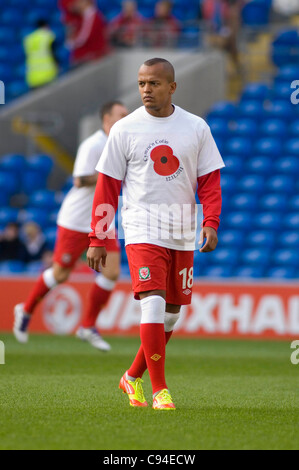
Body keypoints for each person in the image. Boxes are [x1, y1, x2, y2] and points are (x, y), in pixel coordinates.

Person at [87, 58, 224, 410]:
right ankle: (160, 390)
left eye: (154, 84)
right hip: (141, 227)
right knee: (154, 301)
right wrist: (98, 237)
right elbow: (107, 187)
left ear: (172, 87)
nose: (146, 90)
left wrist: (211, 222)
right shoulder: (125, 129)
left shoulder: (196, 127)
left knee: (173, 311)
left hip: (180, 228)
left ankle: (131, 377)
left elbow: (209, 181)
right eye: (142, 84)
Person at [13, 101, 129, 350]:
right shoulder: (94, 145)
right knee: (60, 274)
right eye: (121, 115)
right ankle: (26, 309)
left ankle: (87, 326)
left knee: (111, 272)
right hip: (77, 220)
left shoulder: (120, 144)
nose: (126, 119)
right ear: (106, 118)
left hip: (102, 219)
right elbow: (79, 180)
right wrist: (109, 173)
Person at [202, 0, 242, 71]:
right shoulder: (212, 5)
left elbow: (233, 29)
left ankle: (234, 66)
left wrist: (226, 34)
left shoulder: (232, 10)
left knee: (225, 42)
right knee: (208, 40)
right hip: (217, 33)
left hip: (228, 36)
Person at [67, 0, 109, 65]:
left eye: (78, 2)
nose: (76, 5)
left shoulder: (92, 16)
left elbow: (83, 38)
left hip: (91, 56)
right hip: (87, 56)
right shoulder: (83, 17)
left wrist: (70, 44)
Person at [23, 19, 59, 89]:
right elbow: (53, 52)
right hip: (48, 73)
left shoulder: (28, 39)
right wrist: (57, 63)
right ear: (46, 25)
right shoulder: (47, 35)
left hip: (32, 76)